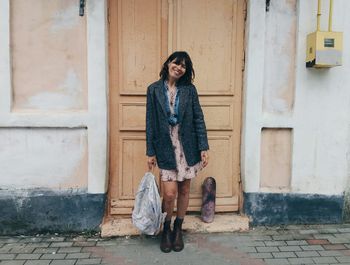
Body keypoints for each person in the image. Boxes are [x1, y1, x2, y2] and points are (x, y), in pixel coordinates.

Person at [146, 51, 209, 253]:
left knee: (183, 190)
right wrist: (150, 151)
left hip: (187, 146)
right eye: (176, 63)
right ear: (168, 64)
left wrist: (203, 147)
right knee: (170, 193)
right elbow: (150, 122)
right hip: (165, 147)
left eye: (183, 66)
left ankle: (178, 229)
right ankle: (166, 228)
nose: (179, 68)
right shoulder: (153, 90)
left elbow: (198, 118)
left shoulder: (189, 90)